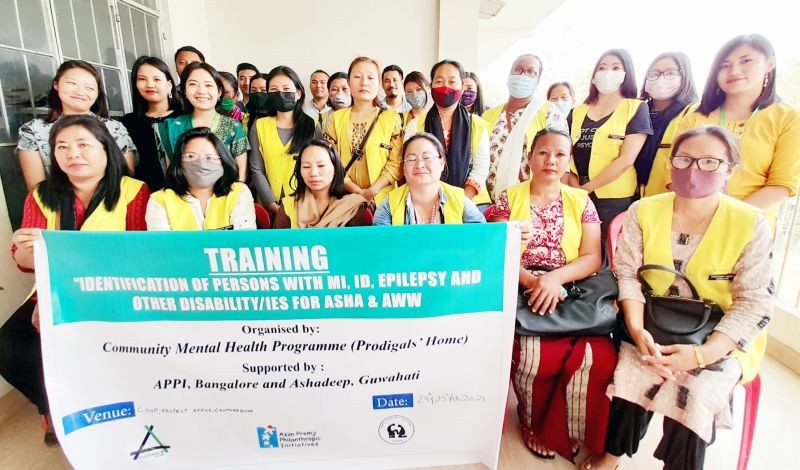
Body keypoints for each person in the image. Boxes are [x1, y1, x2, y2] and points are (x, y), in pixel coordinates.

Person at [583, 126, 772, 470]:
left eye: (710, 162)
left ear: (730, 168)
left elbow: (754, 301)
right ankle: (613, 453)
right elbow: (627, 275)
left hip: (718, 334)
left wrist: (703, 354)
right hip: (650, 320)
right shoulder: (645, 210)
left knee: (696, 393)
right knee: (631, 370)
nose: (694, 170)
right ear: (670, 163)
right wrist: (638, 331)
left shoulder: (750, 223)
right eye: (683, 160)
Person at [1, 115, 149, 446]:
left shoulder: (133, 191)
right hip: (56, 291)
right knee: (11, 344)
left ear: (105, 150)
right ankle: (54, 409)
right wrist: (27, 252)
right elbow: (25, 262)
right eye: (62, 147)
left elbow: (139, 253)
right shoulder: (41, 195)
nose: (73, 154)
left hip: (114, 293)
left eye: (84, 145)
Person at [485, 127, 612, 462]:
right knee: (532, 353)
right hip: (519, 283)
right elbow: (497, 249)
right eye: (543, 152)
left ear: (568, 161)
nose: (551, 160)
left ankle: (572, 429)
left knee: (597, 357)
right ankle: (532, 424)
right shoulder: (508, 198)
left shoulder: (581, 200)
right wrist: (531, 281)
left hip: (571, 287)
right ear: (530, 158)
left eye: (559, 154)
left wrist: (555, 279)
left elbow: (592, 257)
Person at [676, 34, 800, 223]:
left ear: (769, 65)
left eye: (746, 61)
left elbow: (782, 184)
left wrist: (725, 220)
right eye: (724, 65)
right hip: (691, 221)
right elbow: (674, 174)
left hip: (749, 226)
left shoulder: (787, 118)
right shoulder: (695, 117)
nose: (734, 70)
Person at [568, 49, 652, 250]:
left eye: (616, 68)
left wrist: (588, 188)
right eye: (602, 67)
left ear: (626, 74)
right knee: (577, 247)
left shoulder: (635, 108)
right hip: (575, 191)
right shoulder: (578, 111)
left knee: (606, 251)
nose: (608, 72)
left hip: (613, 198)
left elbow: (626, 160)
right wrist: (574, 187)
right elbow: (566, 152)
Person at [17, 60, 137, 190]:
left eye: (89, 87)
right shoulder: (33, 130)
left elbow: (126, 183)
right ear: (56, 85)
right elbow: (36, 190)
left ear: (97, 93)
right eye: (72, 83)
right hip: (57, 206)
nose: (80, 92)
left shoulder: (115, 128)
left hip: (111, 205)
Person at [405, 59, 491, 206]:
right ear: (431, 86)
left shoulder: (478, 125)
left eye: (452, 82)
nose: (445, 87)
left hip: (472, 201)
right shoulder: (416, 125)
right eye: (439, 81)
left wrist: (460, 201)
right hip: (426, 200)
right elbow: (410, 165)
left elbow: (480, 168)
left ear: (462, 87)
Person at [483, 54, 565, 202]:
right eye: (518, 69)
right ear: (509, 75)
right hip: (489, 205)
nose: (523, 75)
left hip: (534, 203)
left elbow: (560, 162)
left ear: (537, 81)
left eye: (530, 72)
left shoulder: (549, 113)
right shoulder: (488, 116)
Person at [324, 57, 403, 204]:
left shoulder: (391, 118)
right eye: (357, 76)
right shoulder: (336, 119)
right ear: (349, 82)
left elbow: (396, 163)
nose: (364, 83)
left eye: (371, 77)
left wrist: (372, 191)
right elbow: (331, 161)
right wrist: (357, 191)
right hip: (344, 198)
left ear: (379, 84)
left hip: (384, 200)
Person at [155, 62, 250, 182]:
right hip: (183, 197)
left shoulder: (234, 127)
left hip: (226, 196)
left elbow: (241, 174)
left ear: (219, 92)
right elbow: (171, 173)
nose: (201, 91)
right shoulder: (171, 127)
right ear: (185, 91)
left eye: (208, 85)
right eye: (193, 84)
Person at [146, 127, 255, 230]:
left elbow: (243, 242)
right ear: (179, 162)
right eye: (191, 156)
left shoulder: (238, 192)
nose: (201, 163)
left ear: (223, 161)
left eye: (210, 157)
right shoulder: (159, 200)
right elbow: (161, 246)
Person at [373, 133, 485, 225]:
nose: (420, 165)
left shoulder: (459, 200)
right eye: (411, 159)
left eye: (427, 157)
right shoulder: (390, 204)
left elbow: (482, 239)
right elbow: (379, 245)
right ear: (404, 168)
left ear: (441, 163)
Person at [248, 65, 316, 211]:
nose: (280, 94)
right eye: (273, 90)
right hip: (268, 205)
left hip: (306, 205)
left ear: (298, 93)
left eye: (286, 89)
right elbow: (256, 169)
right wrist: (272, 205)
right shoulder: (259, 126)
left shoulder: (312, 126)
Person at [637, 53, 698, 197]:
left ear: (685, 76)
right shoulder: (637, 110)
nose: (661, 79)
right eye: (654, 73)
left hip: (667, 199)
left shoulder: (692, 114)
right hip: (628, 198)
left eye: (670, 73)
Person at [275, 140, 370, 228]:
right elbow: (278, 244)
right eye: (306, 167)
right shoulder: (289, 205)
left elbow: (357, 244)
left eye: (321, 165)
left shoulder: (352, 206)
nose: (313, 173)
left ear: (335, 169)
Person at [121, 56, 182, 192]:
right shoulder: (128, 123)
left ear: (169, 85)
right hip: (144, 198)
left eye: (156, 79)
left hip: (183, 197)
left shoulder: (185, 118)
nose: (150, 84)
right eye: (142, 79)